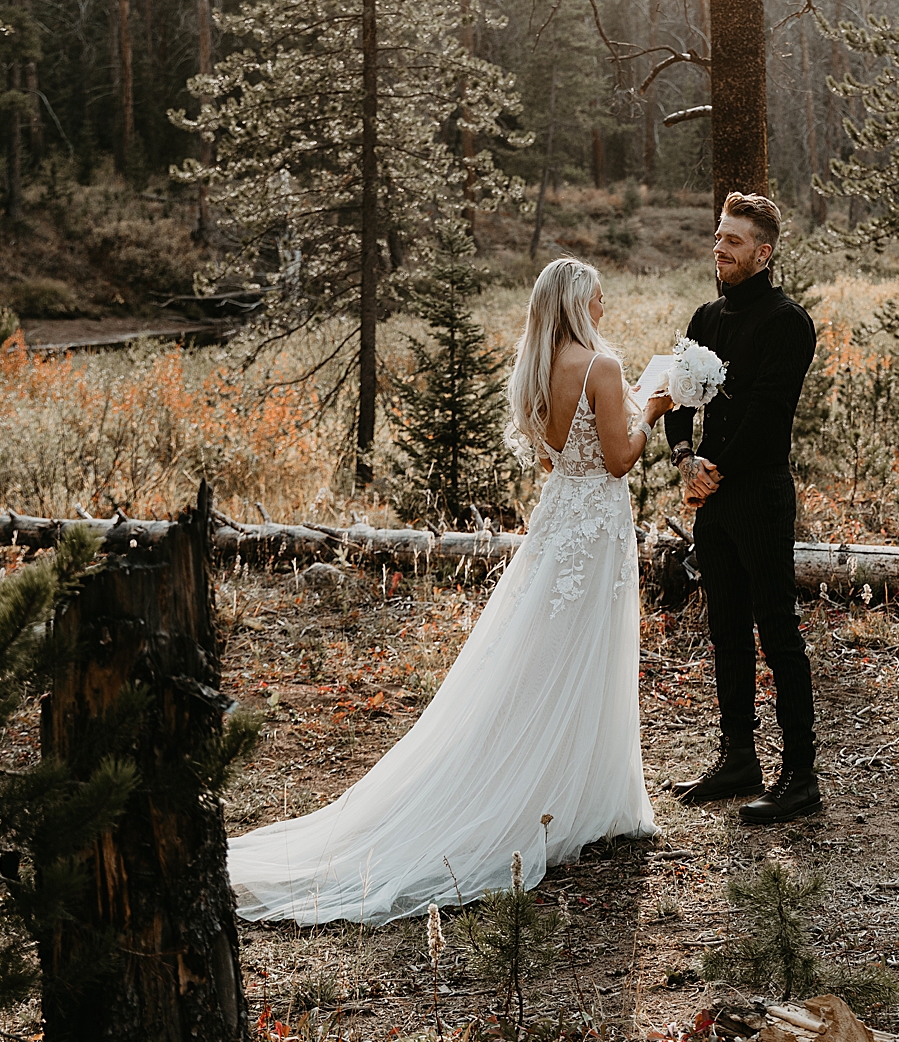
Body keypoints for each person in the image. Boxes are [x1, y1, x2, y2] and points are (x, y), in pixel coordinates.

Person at [227, 257, 672, 924]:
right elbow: (617, 458)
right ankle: (577, 799)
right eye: (599, 300)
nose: (605, 309)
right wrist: (655, 412)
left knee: (547, 657)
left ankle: (569, 792)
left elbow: (567, 450)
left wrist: (631, 400)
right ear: (580, 305)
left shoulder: (540, 367)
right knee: (586, 657)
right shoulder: (599, 367)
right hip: (596, 529)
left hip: (558, 523)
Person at [665, 192, 821, 824]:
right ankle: (738, 759)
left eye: (731, 242)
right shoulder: (705, 317)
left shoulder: (789, 322)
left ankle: (800, 777)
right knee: (725, 627)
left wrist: (711, 470)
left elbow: (767, 415)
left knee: (777, 630)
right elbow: (676, 396)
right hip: (711, 496)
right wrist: (683, 459)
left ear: (763, 252)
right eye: (718, 238)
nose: (718, 249)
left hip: (758, 494)